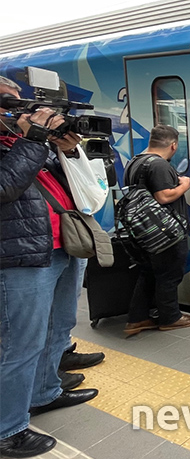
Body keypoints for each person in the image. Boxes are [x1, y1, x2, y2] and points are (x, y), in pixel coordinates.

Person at [0, 77, 100, 458]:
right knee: (21, 344)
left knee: (60, 326)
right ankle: (7, 429)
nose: (18, 112)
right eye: (8, 104)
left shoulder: (21, 140)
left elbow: (67, 185)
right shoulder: (23, 142)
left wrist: (67, 150)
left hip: (62, 246)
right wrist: (33, 140)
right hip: (21, 257)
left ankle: (44, 392)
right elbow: (5, 187)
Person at [123, 124, 190, 336]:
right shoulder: (158, 164)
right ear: (173, 145)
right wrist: (185, 185)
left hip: (144, 232)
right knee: (170, 274)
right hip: (165, 232)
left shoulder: (134, 162)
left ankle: (137, 319)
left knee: (149, 273)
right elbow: (164, 196)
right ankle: (171, 318)